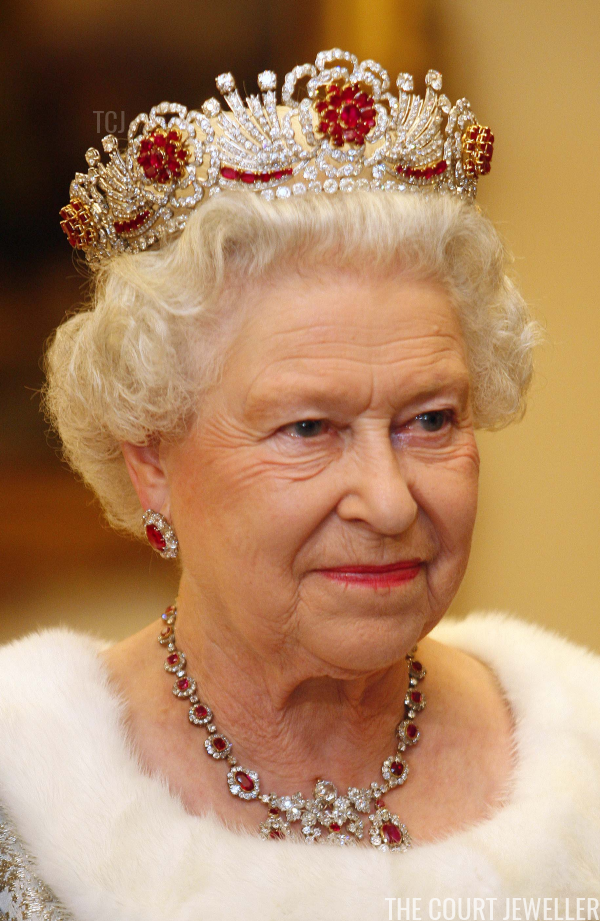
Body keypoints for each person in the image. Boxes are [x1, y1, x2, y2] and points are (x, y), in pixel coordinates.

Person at [1, 50, 599, 921]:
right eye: (309, 429)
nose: (391, 503)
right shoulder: (25, 795)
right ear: (151, 459)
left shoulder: (584, 758)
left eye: (430, 419)